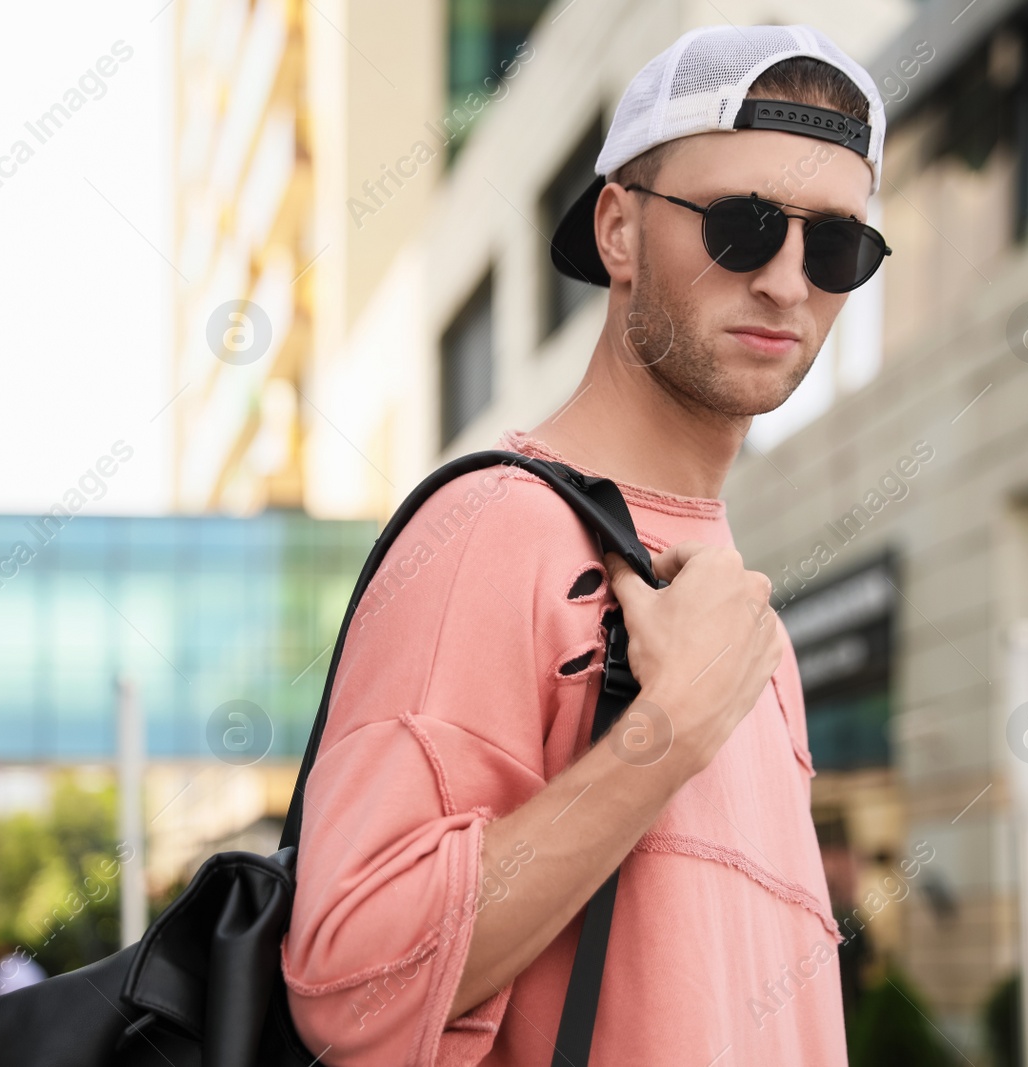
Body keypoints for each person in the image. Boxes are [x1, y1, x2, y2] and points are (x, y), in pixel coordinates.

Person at [282, 23, 891, 1066]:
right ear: (616, 228)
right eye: (743, 226)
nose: (789, 282)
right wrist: (667, 733)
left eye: (836, 246)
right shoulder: (494, 532)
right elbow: (351, 981)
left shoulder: (747, 625)